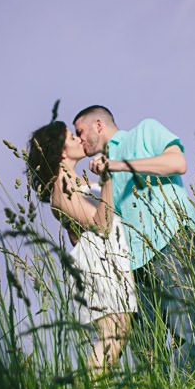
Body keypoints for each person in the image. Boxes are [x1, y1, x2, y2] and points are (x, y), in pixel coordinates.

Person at [73, 106, 195, 376]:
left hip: (172, 243)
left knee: (187, 335)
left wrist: (117, 165)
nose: (79, 139)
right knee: (148, 351)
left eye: (80, 132)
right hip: (135, 265)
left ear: (98, 125)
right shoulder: (105, 174)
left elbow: (177, 163)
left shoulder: (144, 131)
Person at [26, 120, 137, 374]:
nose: (78, 139)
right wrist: (108, 179)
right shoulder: (60, 189)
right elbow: (101, 224)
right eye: (71, 137)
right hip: (98, 262)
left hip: (111, 258)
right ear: (62, 151)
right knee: (113, 333)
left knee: (120, 331)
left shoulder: (75, 180)